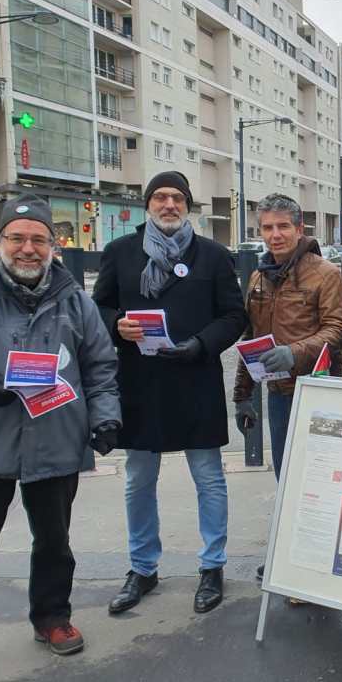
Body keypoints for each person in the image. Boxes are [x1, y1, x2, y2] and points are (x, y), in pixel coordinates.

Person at [0, 195, 121, 682]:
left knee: (55, 543)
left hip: (55, 439)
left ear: (53, 246)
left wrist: (106, 418)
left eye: (39, 239)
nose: (28, 248)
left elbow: (100, 365)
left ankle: (52, 618)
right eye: (17, 238)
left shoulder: (75, 300)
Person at [93, 171, 246, 617]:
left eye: (177, 198)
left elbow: (234, 316)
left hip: (195, 380)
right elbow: (98, 306)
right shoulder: (121, 252)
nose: (169, 205)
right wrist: (115, 324)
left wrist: (200, 344)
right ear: (147, 204)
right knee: (139, 480)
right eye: (160, 197)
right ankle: (143, 568)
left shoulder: (213, 255)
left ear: (187, 205)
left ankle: (212, 566)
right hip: (140, 383)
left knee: (209, 478)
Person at [232, 195, 342, 579]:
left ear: (300, 229)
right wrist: (242, 396)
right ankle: (293, 556)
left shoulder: (326, 274)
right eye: (267, 228)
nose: (275, 235)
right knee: (287, 478)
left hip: (320, 395)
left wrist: (293, 353)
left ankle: (319, 561)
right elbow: (251, 340)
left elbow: (337, 331)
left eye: (283, 226)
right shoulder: (258, 277)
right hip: (279, 396)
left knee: (319, 482)